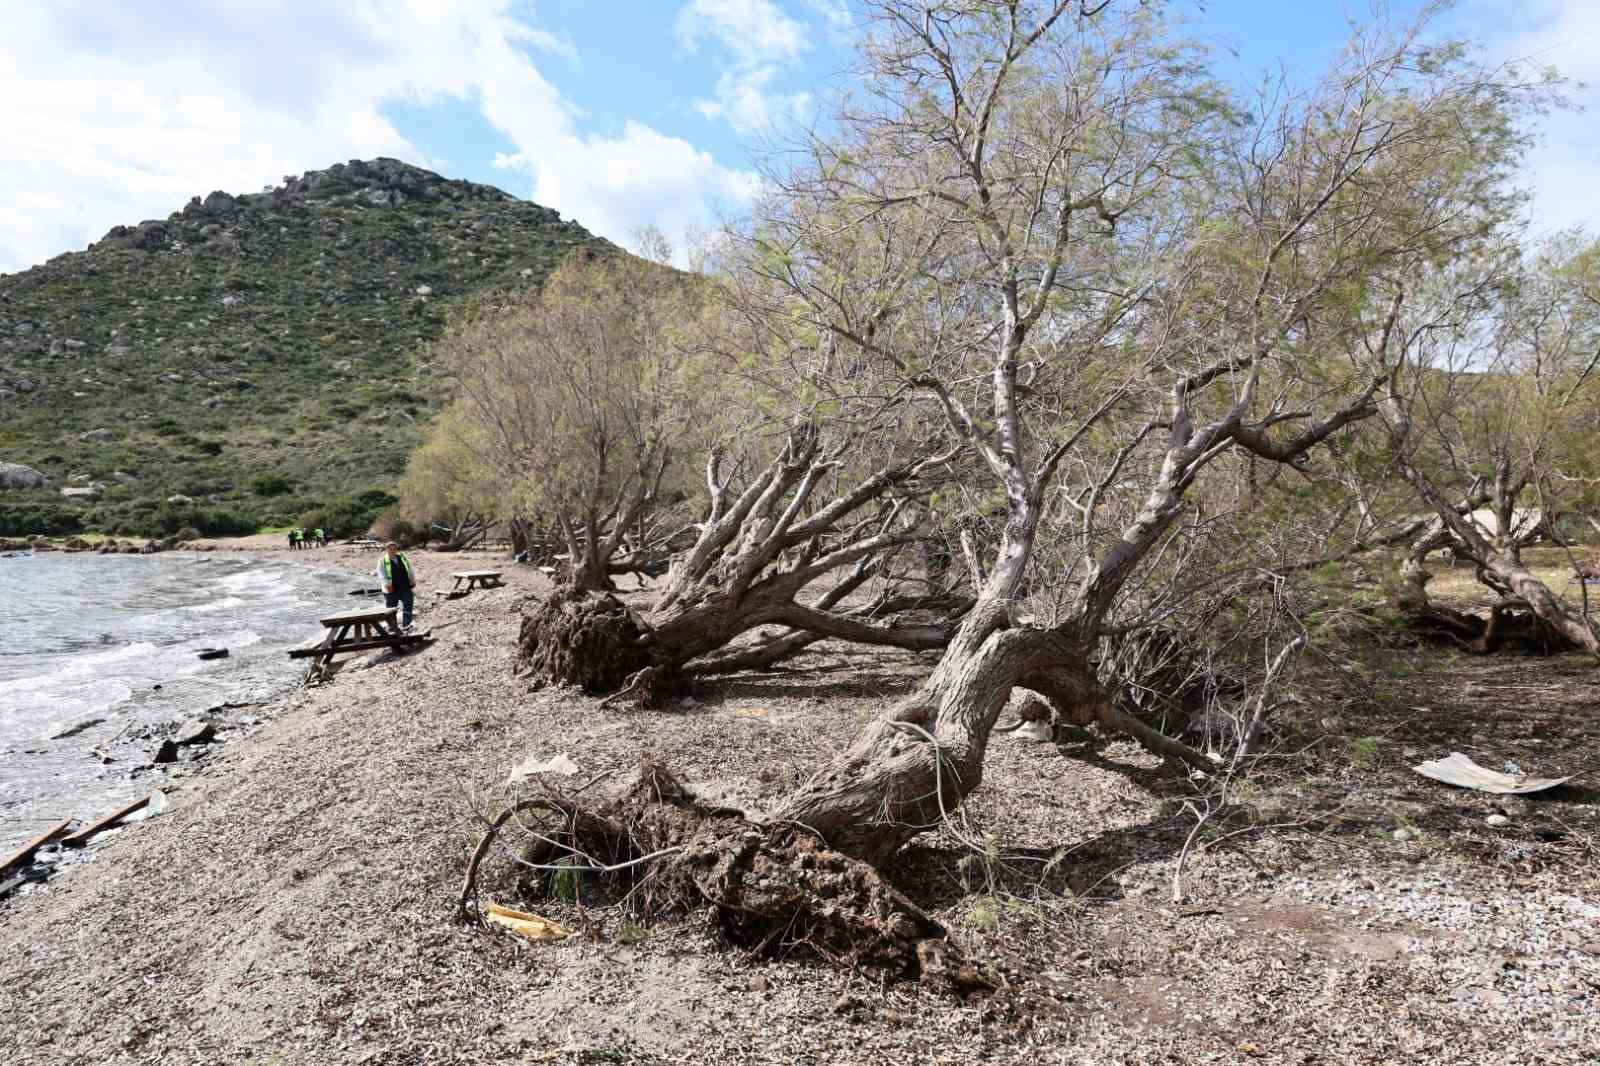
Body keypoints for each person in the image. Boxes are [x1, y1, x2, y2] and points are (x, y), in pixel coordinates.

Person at [378, 541, 416, 629]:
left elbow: (410, 570)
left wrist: (412, 580)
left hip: (405, 586)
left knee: (408, 605)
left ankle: (407, 624)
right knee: (391, 609)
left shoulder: (403, 558)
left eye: (394, 549)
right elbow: (381, 575)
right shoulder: (382, 561)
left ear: (396, 549)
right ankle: (392, 626)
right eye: (390, 549)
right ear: (386, 550)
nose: (392, 550)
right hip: (391, 589)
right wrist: (387, 585)